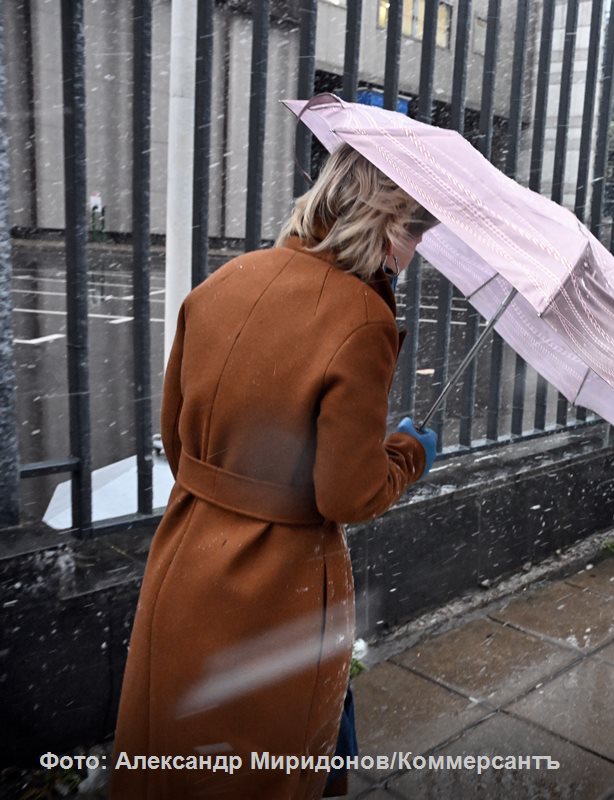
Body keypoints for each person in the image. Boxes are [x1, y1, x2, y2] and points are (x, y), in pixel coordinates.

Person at [111, 145, 439, 799]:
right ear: (378, 220)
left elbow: (176, 442)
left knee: (178, 757)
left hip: (184, 559)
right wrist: (407, 454)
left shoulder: (226, 280)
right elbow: (347, 493)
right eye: (410, 233)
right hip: (280, 587)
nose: (410, 255)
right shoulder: (363, 318)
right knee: (270, 765)